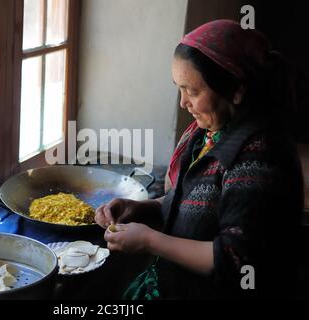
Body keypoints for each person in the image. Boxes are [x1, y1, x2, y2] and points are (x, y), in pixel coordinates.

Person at [95, 19, 304, 299]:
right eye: (179, 88)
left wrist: (149, 240)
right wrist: (141, 209)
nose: (183, 102)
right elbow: (195, 204)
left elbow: (234, 259)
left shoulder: (260, 159)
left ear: (236, 91)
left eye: (192, 91)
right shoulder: (204, 133)